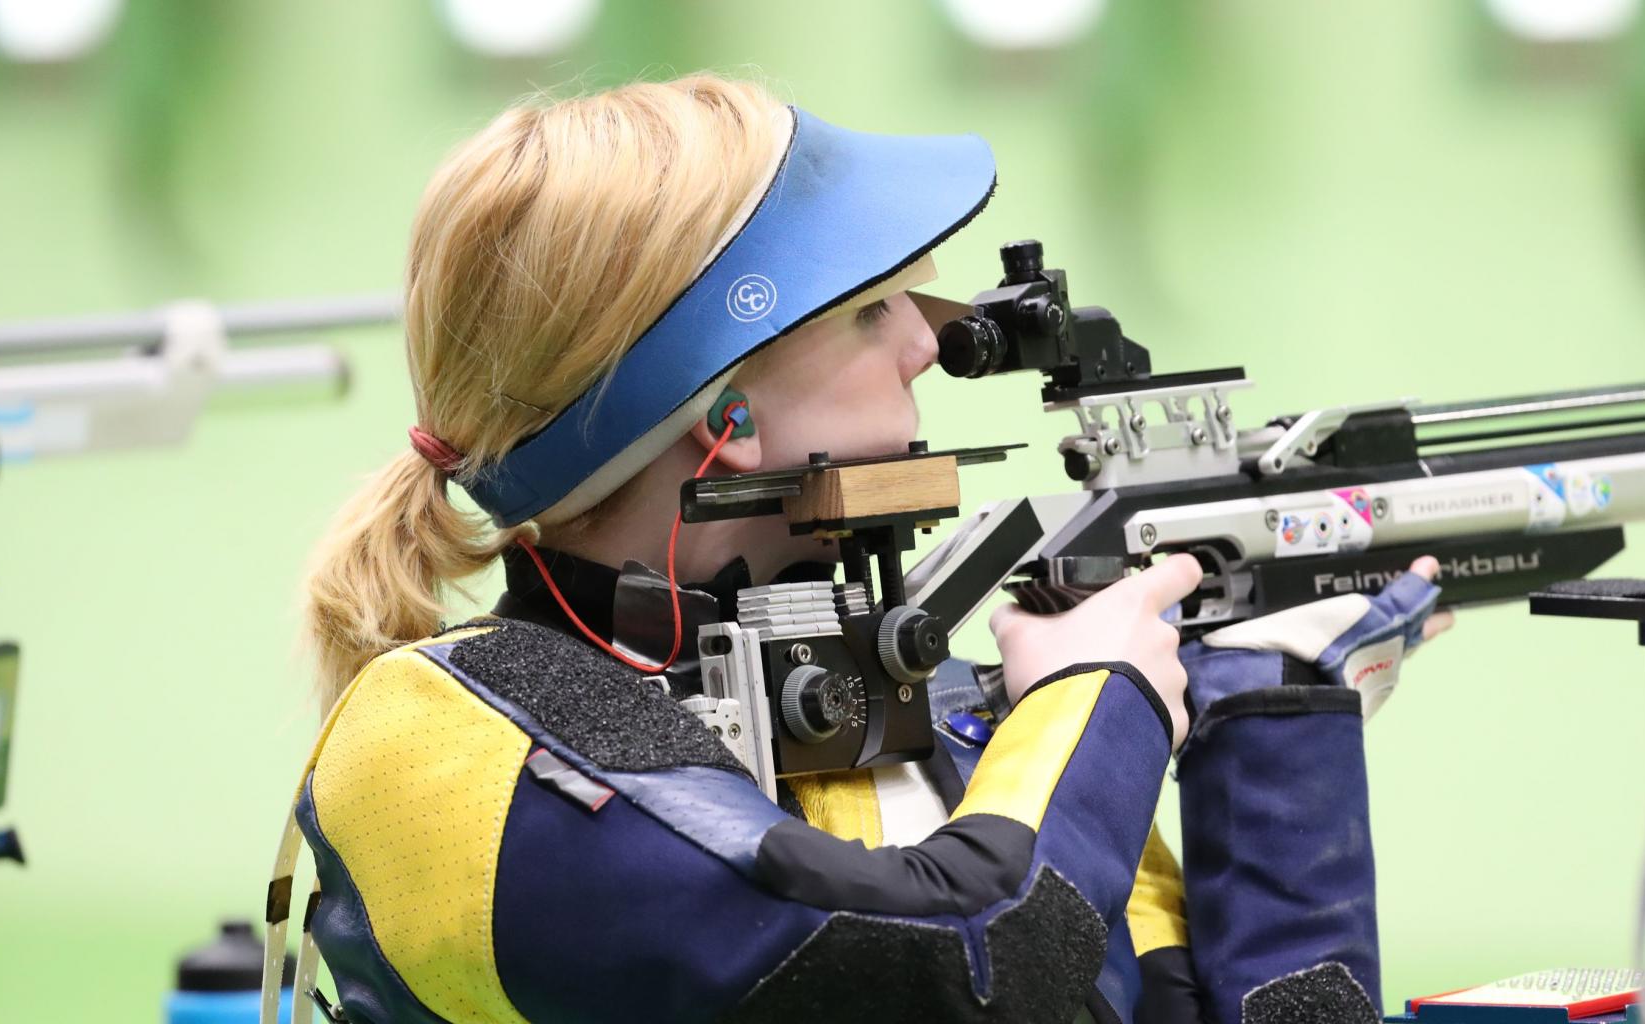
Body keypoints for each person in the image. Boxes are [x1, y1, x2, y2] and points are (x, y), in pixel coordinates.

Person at [281, 74, 1448, 1024]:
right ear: (725, 419)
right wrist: (1101, 700)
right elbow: (964, 964)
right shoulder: (440, 749)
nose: (929, 347)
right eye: (867, 309)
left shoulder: (908, 723)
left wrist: (1269, 711)